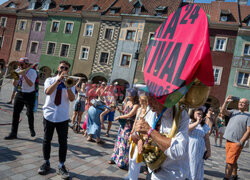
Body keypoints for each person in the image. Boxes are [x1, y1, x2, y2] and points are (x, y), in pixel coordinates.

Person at [135, 94, 190, 180]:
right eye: (148, 99)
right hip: (152, 172)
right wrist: (140, 140)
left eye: (153, 99)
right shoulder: (151, 111)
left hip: (172, 175)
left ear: (166, 99)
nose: (149, 103)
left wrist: (150, 131)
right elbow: (137, 136)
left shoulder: (181, 115)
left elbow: (178, 151)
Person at [37, 61, 75, 179]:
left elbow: (72, 98)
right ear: (58, 68)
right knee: (47, 140)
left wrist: (68, 86)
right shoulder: (50, 80)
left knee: (63, 142)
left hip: (62, 117)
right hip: (49, 114)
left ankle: (61, 165)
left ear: (68, 70)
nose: (64, 69)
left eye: (66, 68)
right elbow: (48, 92)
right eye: (62, 67)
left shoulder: (70, 83)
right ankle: (46, 162)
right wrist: (58, 81)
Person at [4, 57, 37, 140]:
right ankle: (13, 133)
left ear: (26, 64)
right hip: (20, 93)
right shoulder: (18, 70)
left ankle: (31, 128)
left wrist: (24, 75)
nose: (20, 66)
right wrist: (16, 77)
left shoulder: (33, 72)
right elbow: (15, 84)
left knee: (29, 113)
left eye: (21, 64)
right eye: (19, 64)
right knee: (15, 114)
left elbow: (30, 84)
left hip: (30, 95)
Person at [108, 88, 139, 170]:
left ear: (134, 96)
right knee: (119, 142)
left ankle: (122, 162)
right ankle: (115, 158)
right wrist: (119, 110)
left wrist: (119, 117)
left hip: (129, 127)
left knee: (125, 144)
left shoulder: (136, 105)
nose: (128, 96)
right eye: (128, 94)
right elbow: (125, 112)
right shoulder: (128, 102)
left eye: (130, 95)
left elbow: (129, 115)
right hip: (123, 125)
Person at [221, 96, 250, 180]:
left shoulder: (249, 115)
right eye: (239, 102)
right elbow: (222, 111)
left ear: (247, 105)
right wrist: (226, 102)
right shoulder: (234, 112)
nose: (240, 103)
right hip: (228, 139)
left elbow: (249, 131)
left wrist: (240, 142)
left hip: (236, 142)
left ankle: (226, 178)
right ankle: (234, 175)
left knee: (229, 162)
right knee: (232, 159)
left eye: (243, 102)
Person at [127, 94, 148, 180]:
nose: (139, 100)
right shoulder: (139, 110)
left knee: (137, 158)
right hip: (135, 134)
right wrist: (132, 132)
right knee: (131, 156)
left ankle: (133, 178)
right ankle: (130, 175)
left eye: (140, 99)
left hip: (142, 136)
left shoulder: (148, 111)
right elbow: (135, 122)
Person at [188, 108, 211, 180]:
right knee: (190, 162)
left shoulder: (204, 125)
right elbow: (187, 129)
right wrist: (197, 122)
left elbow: (207, 138)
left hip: (199, 148)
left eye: (201, 114)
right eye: (198, 113)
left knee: (197, 164)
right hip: (189, 146)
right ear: (193, 113)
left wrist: (209, 150)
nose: (200, 115)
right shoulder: (189, 121)